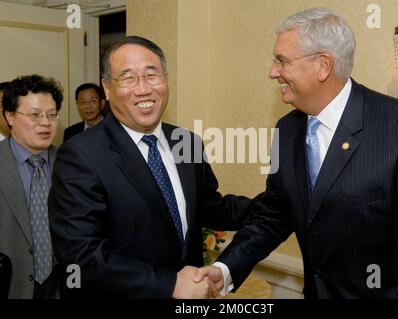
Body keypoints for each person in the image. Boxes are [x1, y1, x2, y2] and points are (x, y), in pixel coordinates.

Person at [198, 7, 398, 299]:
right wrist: (225, 269)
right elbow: (274, 213)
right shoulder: (288, 130)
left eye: (282, 61)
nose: (272, 72)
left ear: (323, 65)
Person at [48, 36, 253, 299]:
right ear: (107, 89)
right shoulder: (80, 155)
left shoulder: (186, 141)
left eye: (151, 74)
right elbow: (81, 257)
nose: (143, 88)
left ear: (166, 80)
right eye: (128, 78)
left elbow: (209, 207)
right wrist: (169, 284)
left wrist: (276, 204)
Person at [0, 74, 63, 299]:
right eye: (35, 115)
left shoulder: (71, 164)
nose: (45, 122)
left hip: (63, 286)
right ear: (10, 116)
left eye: (52, 114)